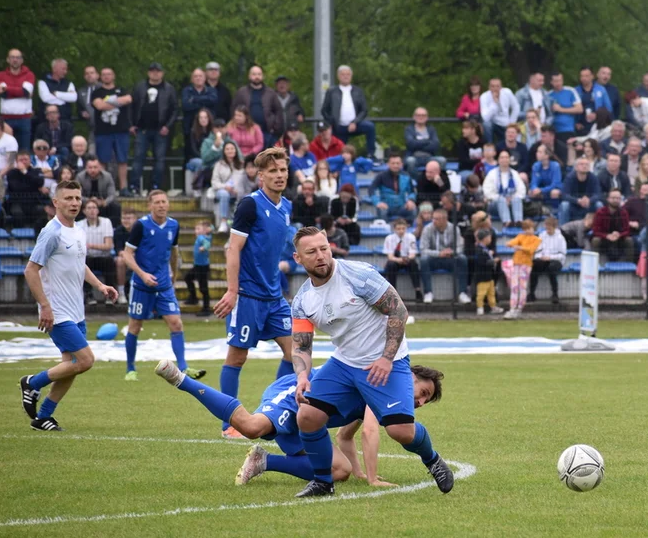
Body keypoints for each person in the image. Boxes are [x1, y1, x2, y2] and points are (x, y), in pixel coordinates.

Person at [288, 226, 456, 497]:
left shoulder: (358, 276)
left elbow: (398, 310)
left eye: (324, 249)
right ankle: (322, 482)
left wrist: (386, 358)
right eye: (312, 252)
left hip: (388, 360)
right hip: (344, 363)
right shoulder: (302, 301)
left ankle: (432, 460)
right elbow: (301, 343)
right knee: (307, 416)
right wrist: (302, 376)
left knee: (400, 431)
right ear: (298, 258)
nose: (320, 256)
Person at [153, 361, 444, 487]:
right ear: (411, 377)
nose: (419, 402)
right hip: (296, 394)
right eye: (423, 393)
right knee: (252, 427)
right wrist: (373, 478)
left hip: (307, 422)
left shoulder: (388, 399)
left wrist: (356, 472)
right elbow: (369, 431)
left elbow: (346, 437)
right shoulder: (384, 385)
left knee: (338, 471)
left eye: (425, 401)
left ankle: (263, 461)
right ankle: (181, 379)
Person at [20, 181, 119, 432]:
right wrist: (45, 306)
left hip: (76, 311)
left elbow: (79, 263)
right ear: (56, 202)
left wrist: (100, 286)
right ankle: (32, 383)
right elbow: (31, 270)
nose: (74, 203)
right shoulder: (51, 232)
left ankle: (43, 417)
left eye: (77, 198)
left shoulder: (78, 231)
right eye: (68, 198)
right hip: (57, 312)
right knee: (85, 360)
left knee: (70, 368)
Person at [212, 148, 297, 439]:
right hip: (248, 296)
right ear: (260, 176)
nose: (279, 175)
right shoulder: (250, 205)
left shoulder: (286, 206)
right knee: (236, 358)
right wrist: (233, 291)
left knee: (295, 352)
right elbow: (233, 249)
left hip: (274, 298)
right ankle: (229, 424)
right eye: (273, 171)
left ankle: (270, 414)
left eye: (283, 170)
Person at [121, 191, 205, 381]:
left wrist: (174, 275)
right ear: (150, 205)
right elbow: (126, 254)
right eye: (157, 202)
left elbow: (174, 252)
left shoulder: (174, 225)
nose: (161, 205)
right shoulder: (141, 225)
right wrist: (142, 275)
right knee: (134, 326)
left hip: (164, 285)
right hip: (141, 286)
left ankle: (183, 367)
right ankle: (130, 369)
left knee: (176, 323)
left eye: (164, 202)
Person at [129, 63, 178, 193]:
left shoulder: (169, 89)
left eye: (158, 71)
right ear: (148, 73)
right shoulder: (140, 87)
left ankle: (155, 186)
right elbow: (132, 106)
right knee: (138, 158)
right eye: (152, 71)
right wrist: (131, 124)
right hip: (142, 129)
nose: (155, 73)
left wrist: (168, 126)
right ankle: (134, 187)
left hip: (160, 130)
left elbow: (174, 110)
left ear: (162, 73)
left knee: (160, 160)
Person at [89, 67, 133, 194]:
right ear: (100, 77)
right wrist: (118, 102)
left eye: (109, 74)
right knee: (102, 161)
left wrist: (108, 102)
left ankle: (124, 188)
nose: (106, 76)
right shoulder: (96, 92)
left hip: (121, 131)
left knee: (122, 160)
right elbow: (99, 105)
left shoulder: (122, 89)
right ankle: (103, 189)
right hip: (103, 132)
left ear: (113, 76)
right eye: (104, 74)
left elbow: (128, 99)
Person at [419, 208, 471, 304]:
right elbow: (423, 249)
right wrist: (439, 253)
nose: (433, 221)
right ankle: (428, 293)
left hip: (450, 259)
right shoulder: (427, 229)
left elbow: (460, 247)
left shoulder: (454, 229)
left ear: (444, 219)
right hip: (434, 259)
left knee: (462, 258)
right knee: (423, 260)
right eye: (433, 218)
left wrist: (451, 252)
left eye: (436, 219)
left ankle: (462, 293)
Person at [322, 65, 376, 157]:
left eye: (348, 74)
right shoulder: (332, 91)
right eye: (343, 74)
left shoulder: (358, 91)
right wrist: (332, 122)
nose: (345, 76)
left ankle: (371, 154)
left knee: (370, 127)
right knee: (340, 153)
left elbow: (364, 110)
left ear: (351, 76)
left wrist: (355, 122)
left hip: (355, 124)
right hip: (338, 127)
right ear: (338, 76)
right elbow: (324, 110)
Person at [75, 199, 116, 306]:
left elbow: (108, 245)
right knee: (81, 263)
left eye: (94, 208)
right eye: (89, 208)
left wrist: (90, 246)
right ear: (84, 211)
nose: (92, 210)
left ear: (98, 210)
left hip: (103, 257)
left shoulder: (106, 222)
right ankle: (89, 295)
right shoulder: (78, 225)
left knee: (110, 262)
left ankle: (109, 296)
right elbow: (79, 247)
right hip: (87, 257)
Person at [232, 66, 284, 148]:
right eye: (254, 74)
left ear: (262, 76)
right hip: (247, 133)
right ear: (249, 76)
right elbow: (233, 110)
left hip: (267, 133)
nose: (257, 77)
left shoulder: (270, 93)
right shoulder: (241, 92)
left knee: (266, 159)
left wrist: (276, 129)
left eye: (259, 74)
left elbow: (278, 111)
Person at [0, 49, 36, 149]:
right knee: (7, 149)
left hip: (24, 118)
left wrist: (7, 89)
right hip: (6, 118)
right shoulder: (1, 75)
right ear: (8, 59)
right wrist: (20, 90)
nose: (15, 60)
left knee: (24, 150)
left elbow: (26, 92)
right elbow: (2, 94)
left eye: (18, 57)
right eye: (12, 57)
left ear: (22, 60)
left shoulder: (29, 75)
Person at [501, 219, 541, 319]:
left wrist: (520, 247)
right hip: (516, 263)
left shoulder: (536, 239)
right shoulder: (520, 236)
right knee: (514, 287)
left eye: (530, 228)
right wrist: (510, 243)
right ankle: (512, 308)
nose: (528, 231)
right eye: (526, 229)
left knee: (522, 287)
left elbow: (530, 250)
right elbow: (512, 242)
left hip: (526, 265)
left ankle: (519, 307)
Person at [181, 67, 219, 162]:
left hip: (208, 129)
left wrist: (194, 99)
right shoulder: (186, 91)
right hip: (190, 128)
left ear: (205, 78)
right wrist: (204, 102)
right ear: (192, 79)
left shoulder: (211, 90)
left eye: (200, 76)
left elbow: (214, 101)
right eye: (195, 76)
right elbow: (186, 105)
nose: (198, 78)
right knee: (189, 155)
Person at [208, 141, 245, 233]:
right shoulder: (219, 165)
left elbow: (243, 180)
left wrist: (236, 189)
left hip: (236, 191)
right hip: (221, 190)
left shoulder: (241, 165)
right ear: (224, 151)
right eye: (227, 149)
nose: (230, 151)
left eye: (232, 149)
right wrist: (225, 187)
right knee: (224, 194)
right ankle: (223, 222)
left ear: (236, 150)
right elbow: (214, 182)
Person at [383, 217, 423, 302]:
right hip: (395, 260)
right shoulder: (389, 238)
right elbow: (390, 256)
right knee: (390, 265)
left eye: (403, 228)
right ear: (394, 229)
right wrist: (399, 260)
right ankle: (393, 294)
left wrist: (406, 259)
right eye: (398, 229)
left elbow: (412, 254)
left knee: (414, 264)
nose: (401, 231)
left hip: (407, 260)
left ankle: (418, 291)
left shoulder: (411, 237)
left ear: (406, 228)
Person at [482, 150, 526, 223]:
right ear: (498, 160)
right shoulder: (492, 174)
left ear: (509, 160)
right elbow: (487, 192)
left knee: (517, 199)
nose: (504, 159)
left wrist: (512, 198)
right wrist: (503, 199)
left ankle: (518, 222)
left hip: (512, 203)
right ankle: (507, 222)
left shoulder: (514, 174)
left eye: (506, 157)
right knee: (501, 200)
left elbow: (522, 190)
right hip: (495, 204)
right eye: (502, 157)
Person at [370, 153, 417, 223]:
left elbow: (412, 192)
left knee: (413, 209)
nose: (395, 165)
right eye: (393, 163)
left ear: (401, 164)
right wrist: (377, 202)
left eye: (398, 163)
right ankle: (385, 231)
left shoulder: (406, 175)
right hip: (386, 207)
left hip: (401, 207)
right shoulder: (381, 176)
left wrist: (411, 200)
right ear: (388, 164)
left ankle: (407, 230)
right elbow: (371, 190)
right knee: (382, 211)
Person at [528, 215, 565, 304]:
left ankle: (555, 294)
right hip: (544, 259)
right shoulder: (542, 235)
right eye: (546, 227)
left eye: (549, 228)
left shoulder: (560, 238)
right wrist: (540, 257)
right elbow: (538, 250)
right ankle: (531, 293)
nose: (547, 230)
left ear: (554, 227)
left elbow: (562, 255)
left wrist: (550, 257)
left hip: (556, 260)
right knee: (535, 265)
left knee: (552, 268)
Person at [590, 190, 633, 263]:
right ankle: (594, 264)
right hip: (604, 239)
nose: (615, 200)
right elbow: (595, 230)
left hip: (619, 239)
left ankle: (629, 264)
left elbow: (627, 230)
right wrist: (606, 236)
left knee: (629, 240)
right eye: (613, 198)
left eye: (618, 198)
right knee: (595, 240)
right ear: (608, 199)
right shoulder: (600, 212)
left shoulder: (624, 212)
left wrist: (619, 235)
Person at [75, 156, 121, 224]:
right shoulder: (80, 177)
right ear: (86, 168)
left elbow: (112, 195)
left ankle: (114, 227)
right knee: (75, 206)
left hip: (103, 203)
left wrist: (104, 202)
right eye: (90, 167)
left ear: (99, 167)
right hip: (85, 204)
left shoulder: (107, 176)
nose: (93, 170)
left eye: (95, 167)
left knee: (116, 206)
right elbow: (77, 195)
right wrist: (89, 201)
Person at [5, 151, 45, 227]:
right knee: (17, 213)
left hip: (33, 202)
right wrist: (32, 185)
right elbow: (16, 188)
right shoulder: (11, 173)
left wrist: (25, 172)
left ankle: (36, 234)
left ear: (30, 160)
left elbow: (40, 182)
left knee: (41, 211)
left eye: (26, 159)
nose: (23, 162)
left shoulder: (36, 171)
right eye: (21, 160)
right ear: (16, 161)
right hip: (17, 202)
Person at [404, 107, 446, 176]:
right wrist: (427, 142)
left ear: (427, 117)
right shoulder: (409, 129)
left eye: (423, 115)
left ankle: (437, 182)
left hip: (429, 157)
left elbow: (435, 145)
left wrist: (417, 144)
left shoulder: (431, 129)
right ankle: (417, 183)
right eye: (418, 115)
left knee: (442, 160)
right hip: (414, 157)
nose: (421, 117)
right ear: (414, 117)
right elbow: (410, 144)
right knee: (410, 161)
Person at [559, 157, 602, 224]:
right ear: (576, 167)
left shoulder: (593, 178)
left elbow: (598, 194)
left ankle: (599, 228)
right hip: (574, 204)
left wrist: (589, 200)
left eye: (587, 164)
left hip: (589, 204)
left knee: (599, 204)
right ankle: (563, 230)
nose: (584, 166)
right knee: (564, 205)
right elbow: (565, 195)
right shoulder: (569, 178)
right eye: (581, 164)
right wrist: (578, 201)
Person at [184, 219, 213, 315]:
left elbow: (207, 244)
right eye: (195, 228)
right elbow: (211, 228)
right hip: (197, 265)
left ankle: (206, 308)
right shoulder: (205, 236)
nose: (196, 230)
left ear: (204, 230)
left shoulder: (202, 238)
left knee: (203, 287)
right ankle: (193, 298)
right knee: (188, 278)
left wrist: (203, 248)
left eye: (198, 228)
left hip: (202, 267)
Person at [479, 77, 520, 146]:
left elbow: (516, 106)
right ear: (489, 87)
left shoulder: (507, 92)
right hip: (494, 123)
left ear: (501, 87)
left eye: (497, 86)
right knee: (486, 124)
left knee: (526, 115)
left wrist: (512, 122)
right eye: (493, 86)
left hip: (507, 122)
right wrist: (494, 103)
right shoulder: (484, 96)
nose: (495, 88)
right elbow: (485, 117)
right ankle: (489, 145)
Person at [472, 228, 502, 315]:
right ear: (484, 238)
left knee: (491, 293)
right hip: (482, 277)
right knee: (481, 293)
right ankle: (480, 307)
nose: (490, 239)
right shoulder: (479, 250)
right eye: (489, 237)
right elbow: (482, 262)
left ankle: (493, 306)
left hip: (489, 276)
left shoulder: (485, 249)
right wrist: (493, 261)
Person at [546, 71, 583, 141]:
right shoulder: (548, 95)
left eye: (560, 80)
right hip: (552, 130)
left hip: (567, 129)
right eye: (556, 81)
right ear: (551, 82)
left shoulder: (570, 91)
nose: (558, 83)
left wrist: (561, 109)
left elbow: (579, 109)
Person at [38, 58, 77, 123]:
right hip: (47, 122)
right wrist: (64, 99)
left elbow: (73, 97)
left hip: (65, 120)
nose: (65, 72)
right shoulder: (43, 82)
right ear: (54, 69)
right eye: (63, 69)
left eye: (66, 69)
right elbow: (46, 98)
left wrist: (56, 93)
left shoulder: (68, 83)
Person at [528, 144, 562, 213]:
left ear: (547, 155)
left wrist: (541, 190)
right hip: (543, 189)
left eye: (540, 152)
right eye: (537, 151)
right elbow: (534, 182)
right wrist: (535, 189)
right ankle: (535, 211)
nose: (537, 154)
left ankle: (555, 211)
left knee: (554, 192)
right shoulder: (536, 165)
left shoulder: (555, 166)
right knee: (531, 192)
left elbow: (555, 184)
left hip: (555, 189)